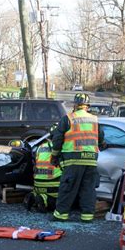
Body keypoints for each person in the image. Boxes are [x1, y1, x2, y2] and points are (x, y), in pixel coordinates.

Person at [50, 93, 105, 222]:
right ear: (88, 106)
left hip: (73, 160)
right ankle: (87, 217)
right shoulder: (95, 119)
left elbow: (57, 139)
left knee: (68, 187)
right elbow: (101, 138)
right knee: (88, 189)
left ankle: (60, 215)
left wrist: (54, 155)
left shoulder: (68, 118)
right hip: (91, 160)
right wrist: (102, 145)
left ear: (75, 105)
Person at [24, 137, 62, 213]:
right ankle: (44, 199)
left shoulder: (40, 147)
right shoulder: (62, 146)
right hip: (54, 184)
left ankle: (33, 196)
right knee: (62, 202)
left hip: (38, 184)